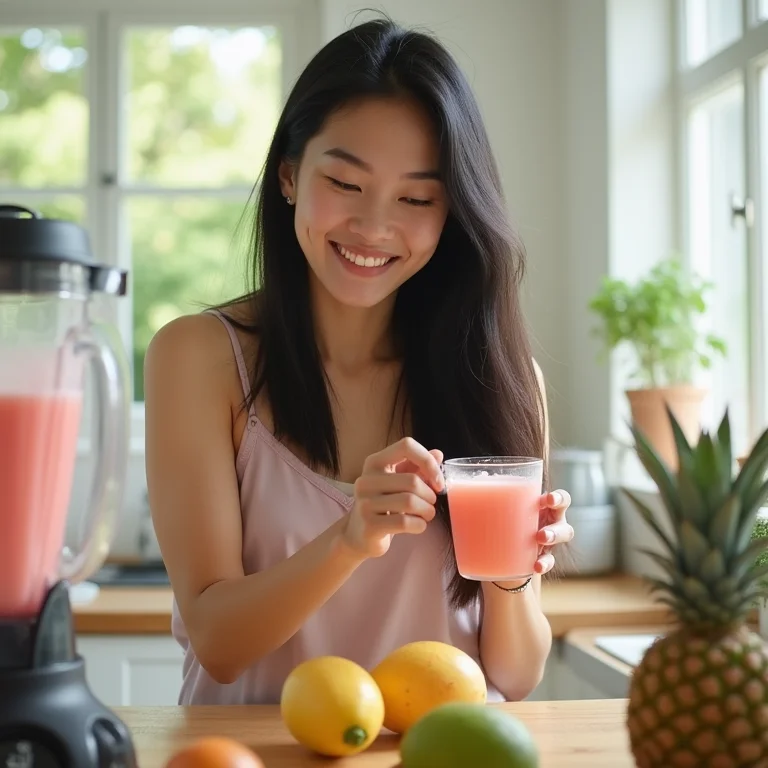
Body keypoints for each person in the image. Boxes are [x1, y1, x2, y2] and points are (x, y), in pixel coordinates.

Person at [144, 15, 574, 706]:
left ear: (452, 211)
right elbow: (217, 644)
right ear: (289, 174)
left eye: (416, 198)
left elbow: (517, 675)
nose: (375, 227)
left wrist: (512, 572)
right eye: (344, 184)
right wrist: (349, 539)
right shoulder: (200, 357)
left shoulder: (504, 379)